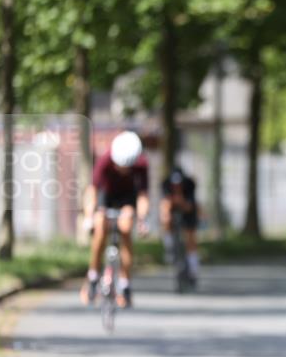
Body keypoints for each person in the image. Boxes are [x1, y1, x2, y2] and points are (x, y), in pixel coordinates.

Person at [80, 131, 149, 309]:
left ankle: (125, 284)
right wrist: (89, 217)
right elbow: (92, 191)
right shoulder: (105, 160)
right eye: (120, 166)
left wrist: (142, 219)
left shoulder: (141, 164)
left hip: (127, 197)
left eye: (127, 167)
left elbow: (142, 195)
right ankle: (93, 277)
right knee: (100, 227)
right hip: (106, 195)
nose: (123, 170)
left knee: (126, 228)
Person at [159, 166, 200, 284]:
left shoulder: (189, 184)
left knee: (190, 237)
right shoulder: (166, 184)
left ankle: (193, 267)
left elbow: (190, 206)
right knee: (165, 215)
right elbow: (165, 203)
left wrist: (181, 201)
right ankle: (169, 246)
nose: (177, 186)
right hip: (172, 208)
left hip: (187, 209)